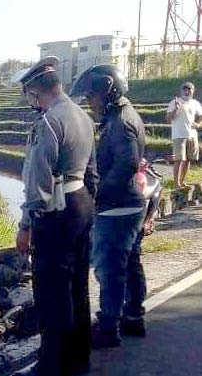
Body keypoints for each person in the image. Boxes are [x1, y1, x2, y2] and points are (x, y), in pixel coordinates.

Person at [12, 56, 97, 376]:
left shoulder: (48, 122)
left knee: (51, 291)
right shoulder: (82, 116)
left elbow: (39, 183)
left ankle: (51, 366)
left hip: (55, 212)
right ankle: (78, 362)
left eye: (27, 94)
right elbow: (93, 172)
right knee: (78, 286)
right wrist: (88, 205)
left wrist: (26, 225)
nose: (28, 100)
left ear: (35, 91)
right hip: (81, 204)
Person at [70, 64, 147, 348]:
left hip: (117, 207)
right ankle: (133, 316)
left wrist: (97, 195)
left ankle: (109, 326)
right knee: (129, 262)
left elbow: (126, 163)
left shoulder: (122, 121)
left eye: (92, 97)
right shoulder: (118, 116)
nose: (90, 103)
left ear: (109, 91)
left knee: (110, 268)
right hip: (128, 204)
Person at [166, 82, 202, 188]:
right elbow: (168, 118)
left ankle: (182, 181)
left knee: (189, 159)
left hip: (192, 135)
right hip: (179, 135)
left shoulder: (195, 103)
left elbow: (200, 116)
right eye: (184, 90)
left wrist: (198, 124)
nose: (186, 91)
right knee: (179, 159)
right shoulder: (175, 102)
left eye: (189, 89)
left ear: (193, 91)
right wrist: (176, 109)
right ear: (181, 91)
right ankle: (176, 183)